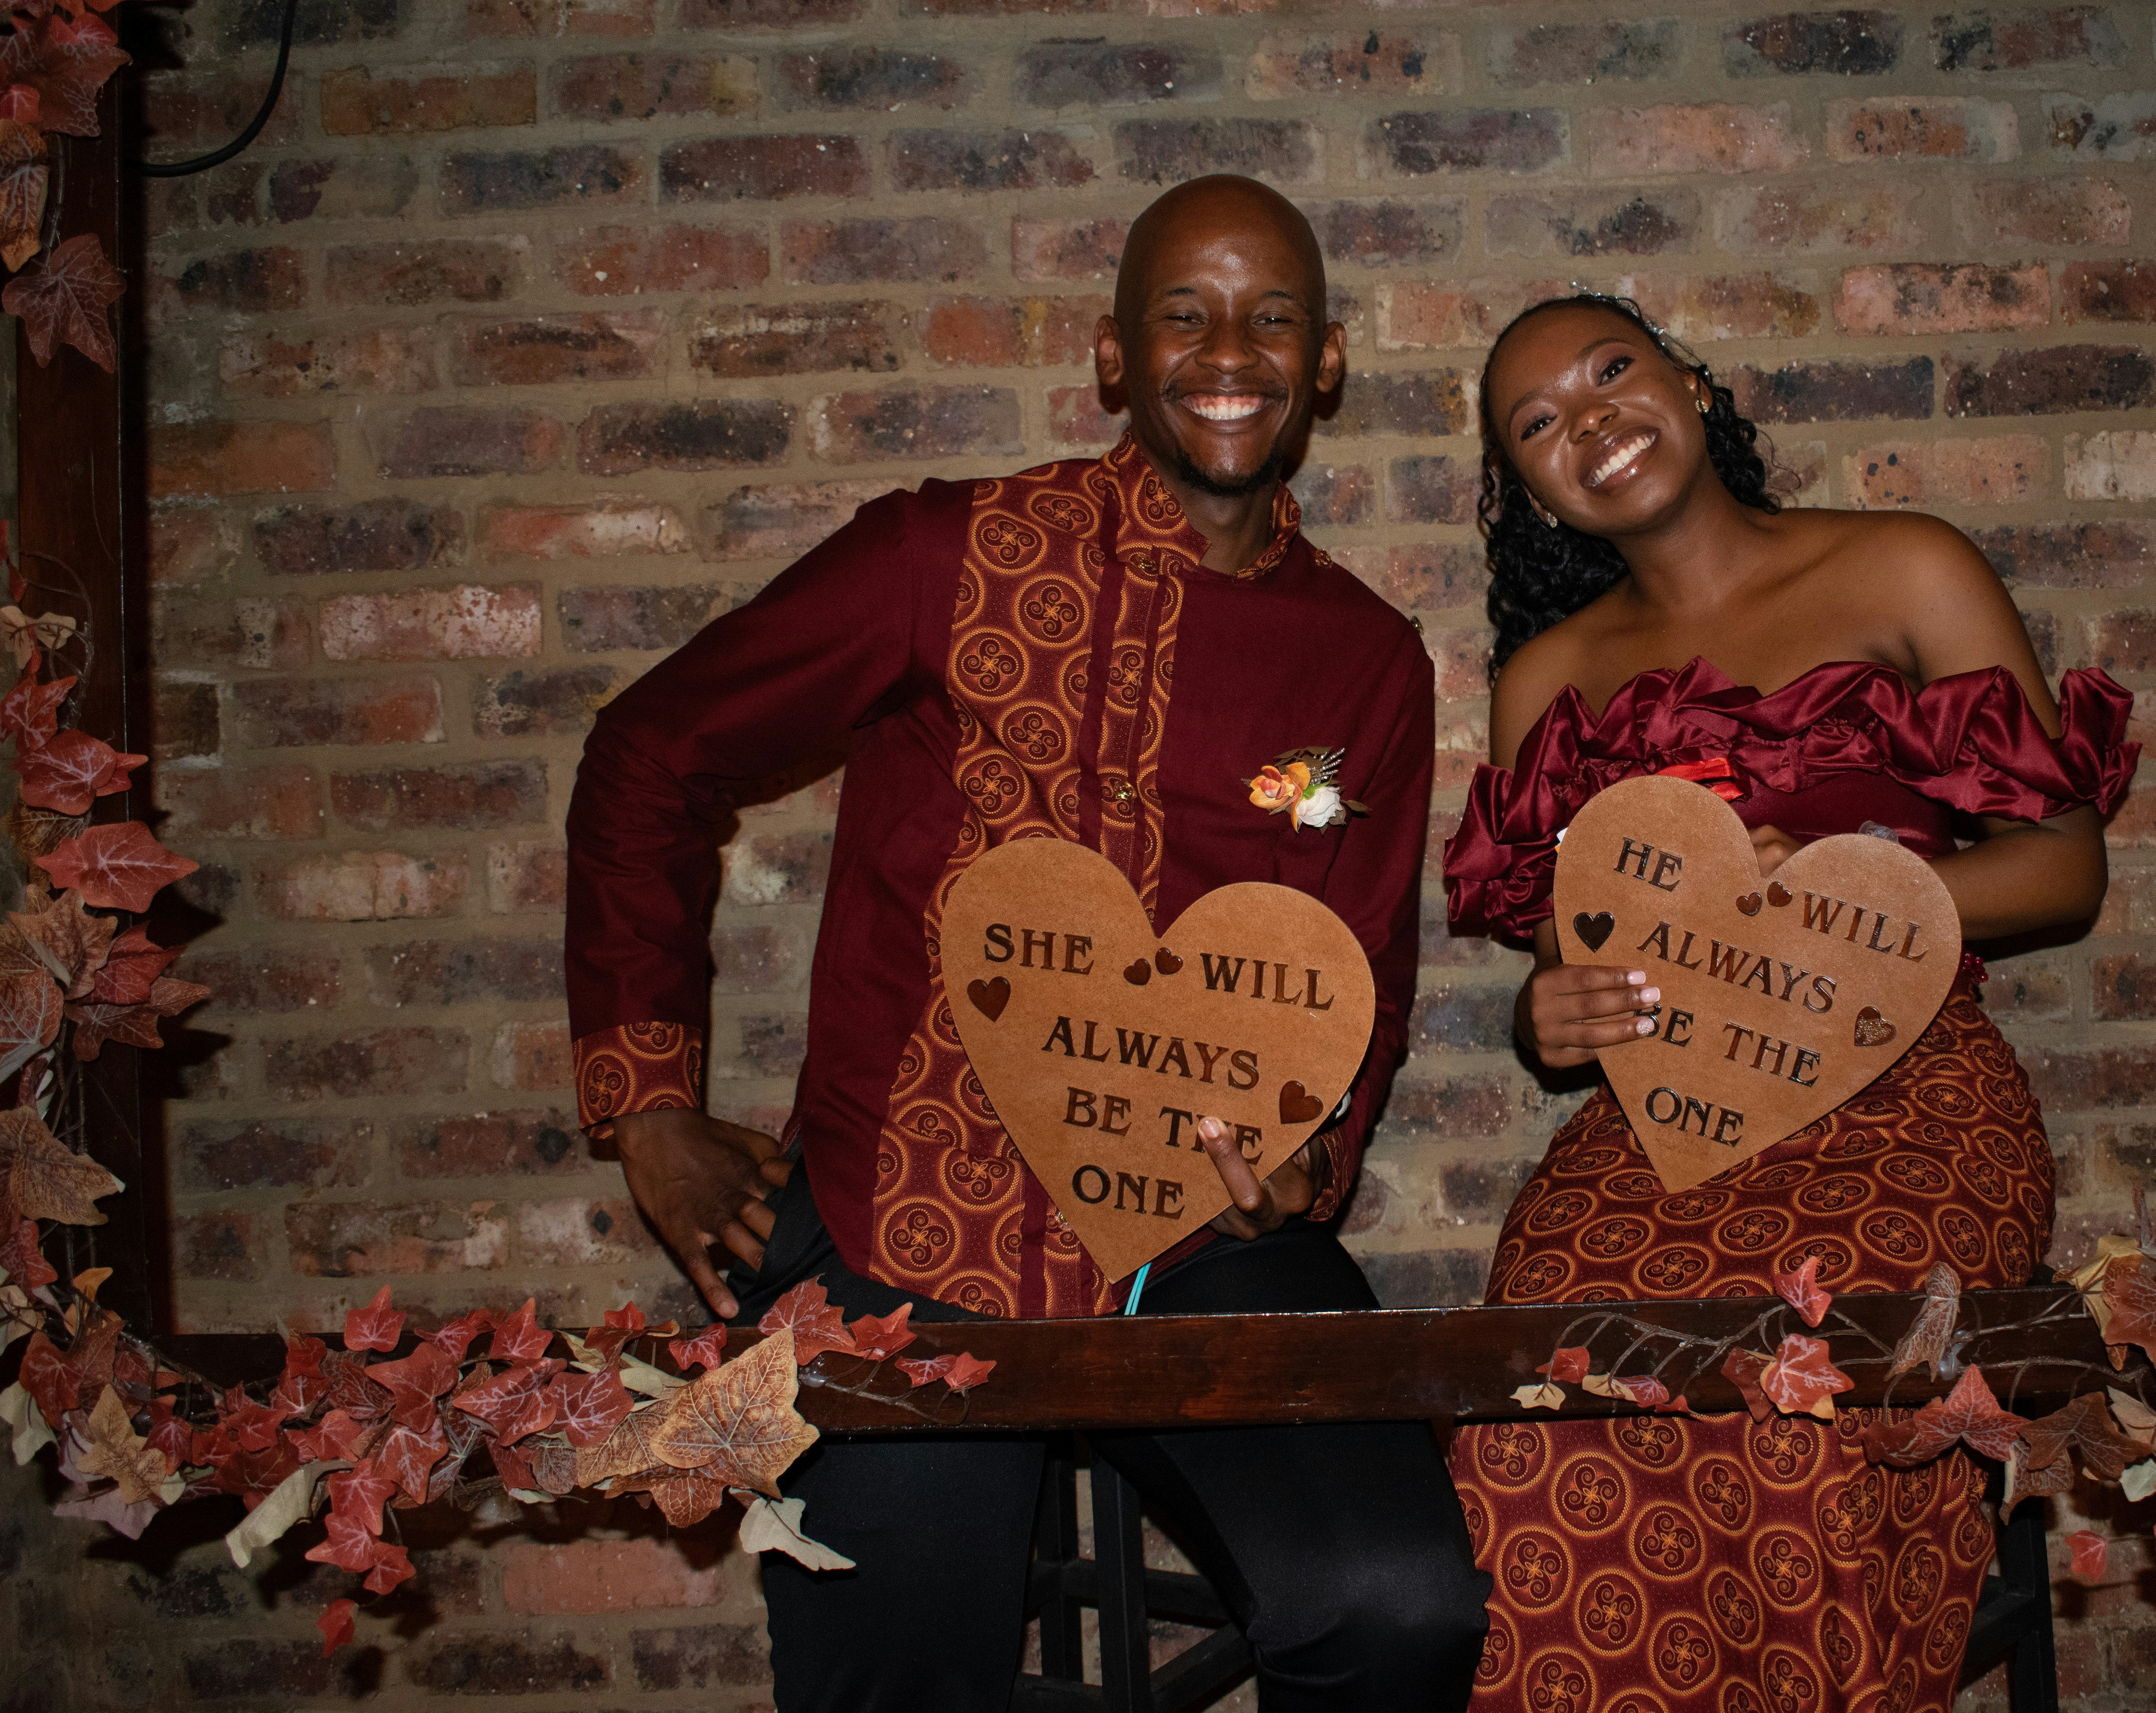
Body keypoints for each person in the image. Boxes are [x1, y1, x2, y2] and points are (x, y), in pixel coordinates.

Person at [563, 175, 1490, 1712]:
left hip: (1207, 1245)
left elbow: (1361, 969)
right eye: (1182, 313)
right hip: (912, 1222)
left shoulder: (1369, 661)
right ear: (1115, 357)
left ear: (1325, 360)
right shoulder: (943, 554)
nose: (1229, 350)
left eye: (1274, 316)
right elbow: (652, 754)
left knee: (1400, 1610)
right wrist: (648, 1104)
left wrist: (1309, 1164)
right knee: (897, 1680)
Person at [1442, 294, 2137, 1712]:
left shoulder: (1903, 567)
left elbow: (2065, 869)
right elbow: (1558, 973)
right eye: (1540, 423)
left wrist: (1845, 888)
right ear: (1530, 491)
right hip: (1664, 1119)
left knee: (1803, 1387)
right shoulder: (1546, 683)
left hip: (1911, 1088)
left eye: (1610, 372)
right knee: (1545, 1378)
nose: (1590, 422)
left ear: (1691, 379)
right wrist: (1542, 1023)